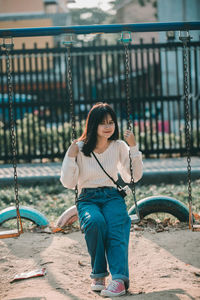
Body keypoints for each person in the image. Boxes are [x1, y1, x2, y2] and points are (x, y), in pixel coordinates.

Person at [60, 102, 143, 297]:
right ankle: (98, 274)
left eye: (111, 122)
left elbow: (133, 177)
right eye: (103, 123)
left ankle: (119, 280)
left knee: (117, 225)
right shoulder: (78, 148)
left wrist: (133, 148)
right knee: (95, 223)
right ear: (93, 124)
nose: (108, 127)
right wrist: (71, 158)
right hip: (87, 198)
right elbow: (68, 182)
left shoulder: (119, 146)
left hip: (112, 196)